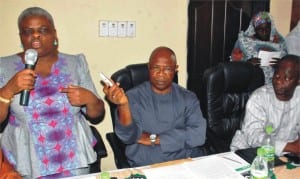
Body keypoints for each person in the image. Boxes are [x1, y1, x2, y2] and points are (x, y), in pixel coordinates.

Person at [0, 7, 105, 178]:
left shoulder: (75, 63)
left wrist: (90, 99)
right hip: (26, 161)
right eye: (28, 31)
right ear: (21, 36)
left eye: (43, 30)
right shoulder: (3, 66)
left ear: (54, 34)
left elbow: (96, 114)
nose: (35, 36)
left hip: (73, 160)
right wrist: (7, 90)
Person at [103, 46, 207, 167]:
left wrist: (155, 139)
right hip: (148, 165)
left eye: (167, 69)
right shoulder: (132, 97)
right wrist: (123, 106)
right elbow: (128, 137)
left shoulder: (188, 98)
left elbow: (198, 135)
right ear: (148, 67)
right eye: (156, 68)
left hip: (185, 162)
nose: (161, 74)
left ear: (175, 69)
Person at [230, 54, 300, 156]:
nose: (278, 81)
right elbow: (253, 137)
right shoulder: (259, 97)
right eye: (277, 75)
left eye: (287, 78)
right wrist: (291, 147)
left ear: (298, 81)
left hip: (287, 155)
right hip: (250, 152)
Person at [231, 11, 287, 84]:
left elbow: (289, 65)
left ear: (271, 27)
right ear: (254, 29)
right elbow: (233, 66)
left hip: (275, 85)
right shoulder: (244, 41)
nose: (264, 32)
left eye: (267, 28)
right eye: (260, 29)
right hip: (250, 85)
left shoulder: (280, 42)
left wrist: (281, 65)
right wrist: (247, 64)